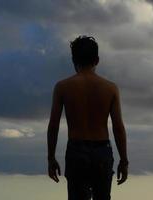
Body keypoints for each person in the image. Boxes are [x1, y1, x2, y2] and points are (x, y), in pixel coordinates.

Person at [47, 35, 128, 200]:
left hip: (76, 150)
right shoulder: (110, 88)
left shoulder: (63, 87)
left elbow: (53, 126)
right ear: (97, 60)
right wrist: (124, 161)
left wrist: (51, 158)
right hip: (102, 151)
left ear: (73, 60)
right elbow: (118, 127)